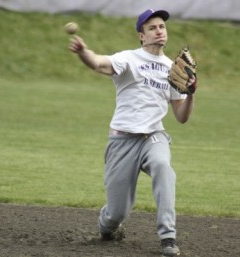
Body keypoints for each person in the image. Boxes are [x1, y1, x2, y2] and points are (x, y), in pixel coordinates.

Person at [68, 8, 197, 257]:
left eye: (162, 27)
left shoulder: (173, 68)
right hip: (122, 140)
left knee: (163, 167)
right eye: (152, 28)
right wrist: (84, 52)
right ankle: (107, 227)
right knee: (117, 212)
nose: (159, 31)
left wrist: (190, 95)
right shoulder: (129, 59)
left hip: (154, 137)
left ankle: (168, 237)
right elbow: (98, 63)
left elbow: (180, 117)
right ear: (141, 35)